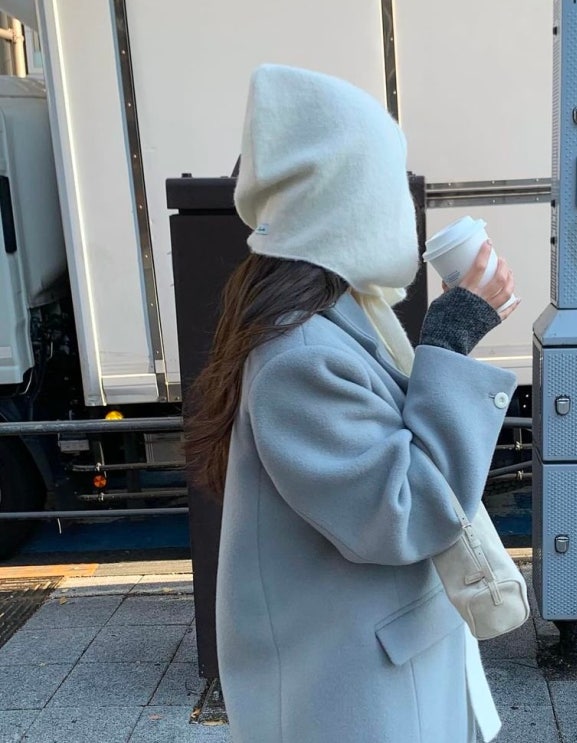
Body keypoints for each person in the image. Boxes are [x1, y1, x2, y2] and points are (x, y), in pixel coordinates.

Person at [186, 64, 520, 743]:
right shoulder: (299, 354)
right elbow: (404, 512)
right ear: (349, 199)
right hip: (356, 697)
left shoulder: (330, 316)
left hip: (375, 668)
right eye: (388, 186)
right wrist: (451, 339)